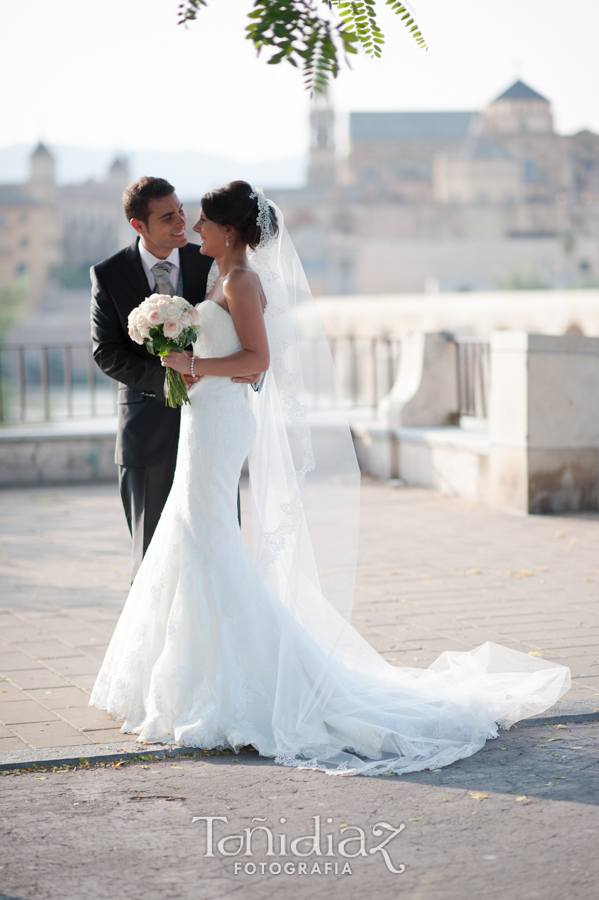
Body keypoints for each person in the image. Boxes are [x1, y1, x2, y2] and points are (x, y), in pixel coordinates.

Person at [90, 181, 570, 776]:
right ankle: (194, 677)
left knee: (208, 538)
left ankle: (236, 682)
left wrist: (192, 364)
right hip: (201, 420)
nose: (194, 230)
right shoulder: (219, 276)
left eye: (204, 223)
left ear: (230, 233)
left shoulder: (239, 281)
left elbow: (258, 360)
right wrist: (184, 364)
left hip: (217, 424)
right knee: (190, 537)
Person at [90, 176, 258, 581]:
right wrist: (165, 380)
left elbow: (250, 336)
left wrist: (243, 373)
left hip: (209, 430)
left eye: (182, 211)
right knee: (152, 560)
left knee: (215, 550)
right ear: (139, 226)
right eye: (168, 217)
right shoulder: (109, 274)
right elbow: (106, 351)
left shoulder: (212, 260)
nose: (183, 222)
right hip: (145, 433)